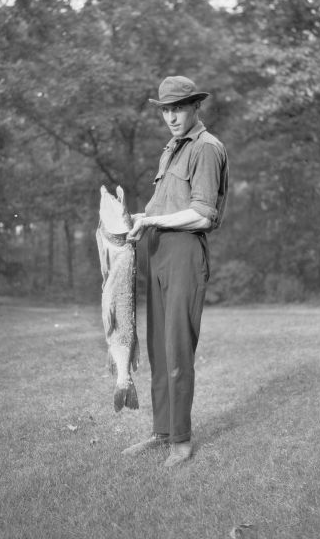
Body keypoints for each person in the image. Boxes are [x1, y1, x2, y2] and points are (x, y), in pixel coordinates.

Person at [122, 75, 229, 467]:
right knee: (158, 351)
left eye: (178, 107)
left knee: (178, 350)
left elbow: (202, 216)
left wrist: (154, 222)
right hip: (159, 253)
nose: (171, 116)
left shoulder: (206, 149)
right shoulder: (171, 150)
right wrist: (139, 220)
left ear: (195, 107)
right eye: (166, 109)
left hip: (185, 254)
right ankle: (162, 432)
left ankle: (181, 442)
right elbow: (161, 207)